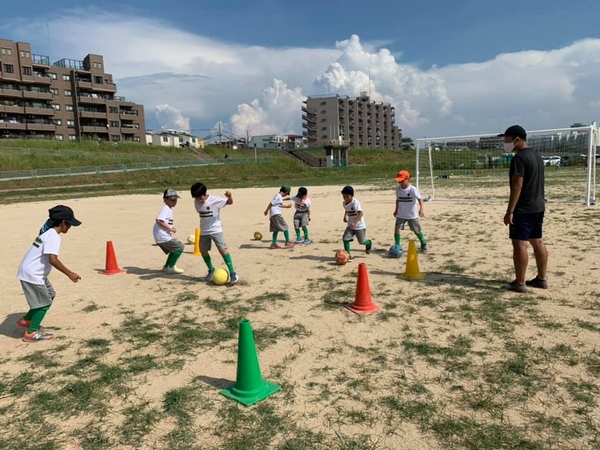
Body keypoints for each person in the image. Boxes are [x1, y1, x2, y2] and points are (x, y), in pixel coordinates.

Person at [17, 205, 81, 342]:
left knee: (50, 294)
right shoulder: (53, 237)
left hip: (35, 272)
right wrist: (70, 274)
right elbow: (53, 260)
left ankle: (26, 320)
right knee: (44, 303)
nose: (70, 227)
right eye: (69, 224)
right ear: (63, 222)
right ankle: (31, 333)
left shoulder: (47, 233)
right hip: (33, 274)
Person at [500, 125, 548, 293]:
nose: (505, 144)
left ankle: (520, 283)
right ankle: (541, 279)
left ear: (517, 139)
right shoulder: (536, 155)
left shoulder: (519, 158)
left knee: (520, 243)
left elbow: (517, 186)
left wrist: (510, 211)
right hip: (538, 206)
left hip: (524, 208)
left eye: (507, 140)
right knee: (537, 241)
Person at [191, 182, 239, 284]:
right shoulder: (196, 202)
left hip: (216, 230)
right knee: (203, 251)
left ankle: (233, 273)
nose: (199, 200)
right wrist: (198, 200)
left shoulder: (215, 200)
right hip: (204, 231)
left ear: (205, 194)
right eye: (196, 198)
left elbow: (230, 202)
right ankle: (211, 270)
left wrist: (229, 197)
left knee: (223, 250)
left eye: (200, 198)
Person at [393, 170, 427, 253]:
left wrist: (421, 209)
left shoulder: (412, 189)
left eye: (402, 181)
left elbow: (420, 199)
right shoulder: (398, 189)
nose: (400, 183)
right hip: (401, 214)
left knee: (416, 231)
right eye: (399, 181)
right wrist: (396, 210)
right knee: (397, 229)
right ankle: (397, 245)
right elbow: (398, 200)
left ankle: (423, 243)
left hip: (412, 215)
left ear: (408, 179)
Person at [153, 188, 185, 274]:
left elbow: (165, 221)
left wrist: (171, 227)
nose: (174, 202)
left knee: (175, 249)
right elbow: (159, 220)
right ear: (165, 199)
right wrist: (170, 228)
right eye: (172, 200)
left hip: (162, 236)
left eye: (175, 200)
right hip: (162, 236)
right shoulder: (166, 208)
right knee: (179, 247)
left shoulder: (168, 208)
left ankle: (167, 266)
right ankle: (170, 267)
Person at [341, 186, 372, 260]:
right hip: (350, 226)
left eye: (347, 196)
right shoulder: (344, 203)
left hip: (359, 226)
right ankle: (348, 255)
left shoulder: (355, 203)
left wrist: (355, 222)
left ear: (352, 195)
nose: (345, 198)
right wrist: (345, 216)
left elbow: (361, 213)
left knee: (361, 241)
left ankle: (369, 243)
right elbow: (347, 209)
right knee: (345, 239)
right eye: (344, 196)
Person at [264, 185, 295, 249]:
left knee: (276, 229)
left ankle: (274, 244)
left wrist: (287, 206)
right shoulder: (278, 196)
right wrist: (266, 210)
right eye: (287, 194)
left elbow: (279, 205)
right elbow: (271, 203)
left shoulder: (279, 196)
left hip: (273, 215)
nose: (286, 195)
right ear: (286, 192)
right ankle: (287, 242)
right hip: (276, 214)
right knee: (285, 227)